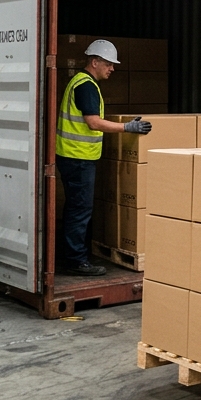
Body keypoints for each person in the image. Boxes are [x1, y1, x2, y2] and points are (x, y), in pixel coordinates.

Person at [56, 39, 152, 276]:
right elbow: (93, 122)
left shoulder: (80, 82)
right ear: (94, 62)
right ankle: (75, 261)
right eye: (108, 64)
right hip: (78, 158)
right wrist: (127, 128)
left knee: (77, 208)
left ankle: (74, 255)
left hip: (74, 156)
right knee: (80, 209)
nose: (112, 69)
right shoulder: (86, 85)